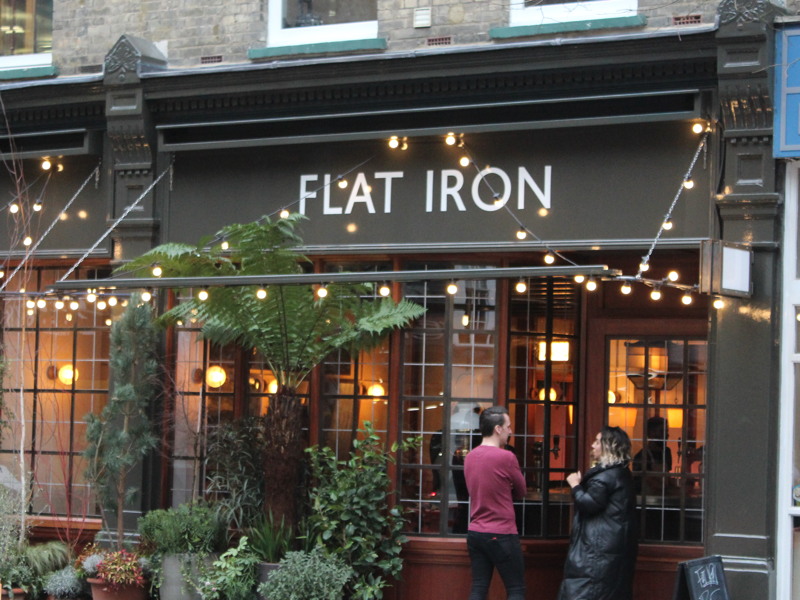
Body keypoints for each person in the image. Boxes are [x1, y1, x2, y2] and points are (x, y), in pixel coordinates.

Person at [558, 426, 638, 600]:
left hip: (597, 550)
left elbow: (589, 504)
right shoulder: (622, 474)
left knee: (588, 592)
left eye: (597, 441)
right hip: (611, 548)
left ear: (608, 446)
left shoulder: (604, 478)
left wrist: (575, 485)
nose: (592, 445)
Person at [464, 405, 527, 600]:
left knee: (479, 587)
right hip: (501, 532)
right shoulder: (506, 457)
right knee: (515, 589)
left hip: (476, 531)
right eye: (508, 426)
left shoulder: (470, 456)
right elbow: (521, 491)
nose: (510, 431)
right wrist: (506, 489)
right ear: (498, 429)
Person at [632, 416, 673, 495]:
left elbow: (667, 477)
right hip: (648, 498)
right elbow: (648, 481)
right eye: (662, 431)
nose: (666, 435)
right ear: (651, 433)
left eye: (666, 431)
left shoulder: (666, 452)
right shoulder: (642, 456)